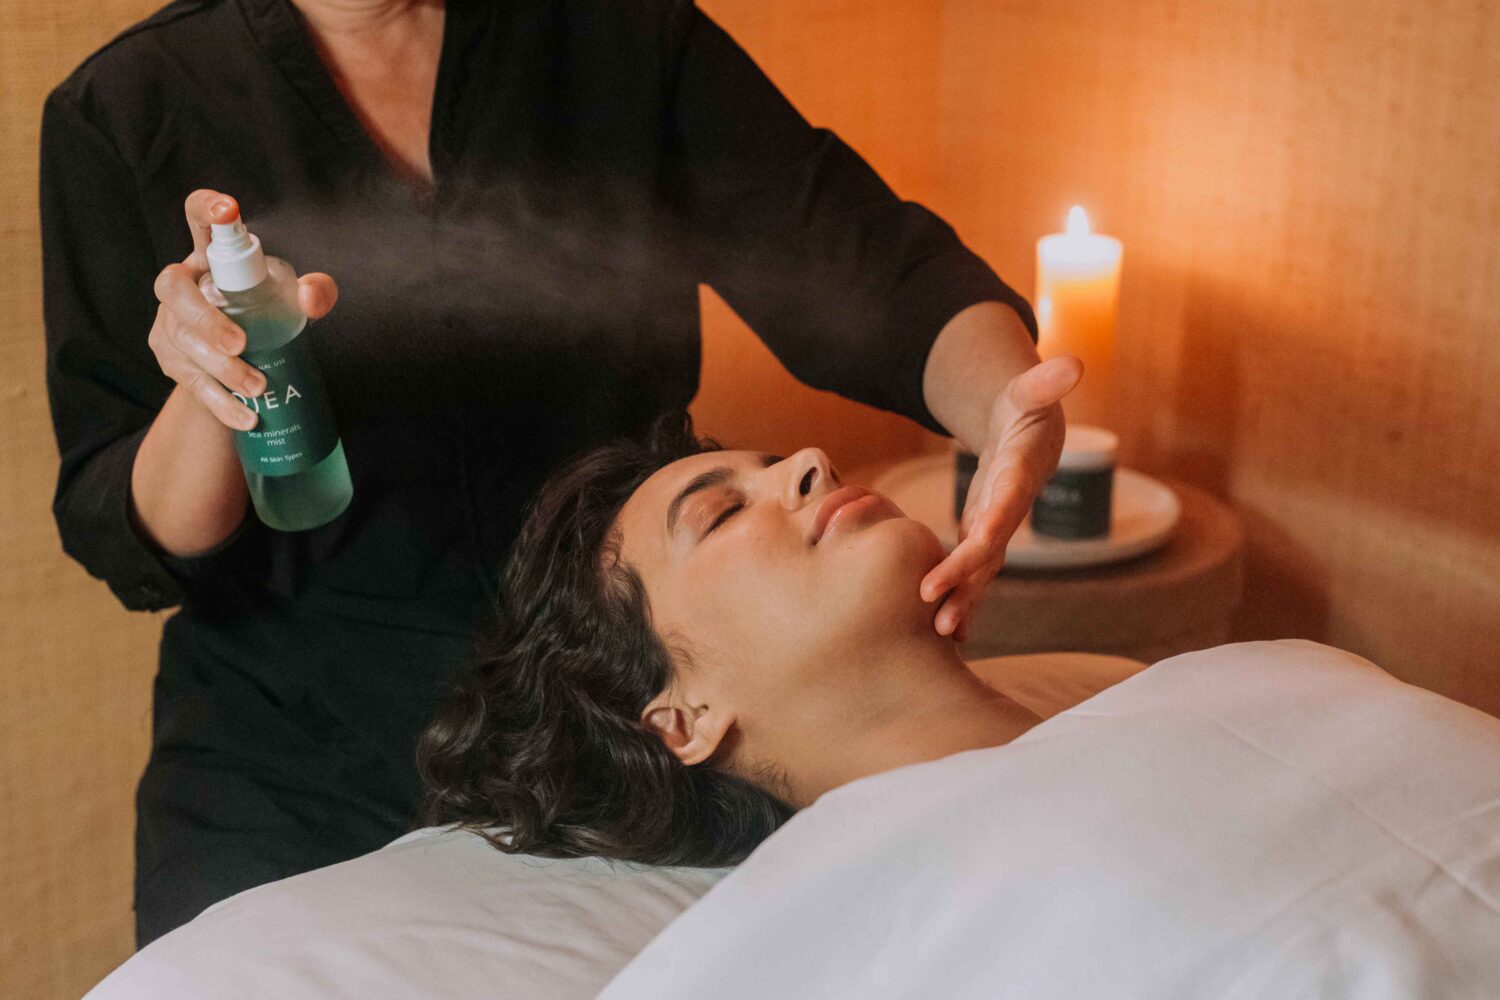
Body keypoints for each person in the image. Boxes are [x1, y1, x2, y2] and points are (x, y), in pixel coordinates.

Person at [40, 0, 1073, 946]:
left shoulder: (616, 30)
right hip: (294, 757)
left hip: (616, 741)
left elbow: (859, 261)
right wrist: (208, 377)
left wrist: (1005, 404)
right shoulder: (126, 107)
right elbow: (123, 532)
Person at [418, 407, 1056, 864]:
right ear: (686, 720)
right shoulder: (860, 935)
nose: (813, 461)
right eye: (721, 514)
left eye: (775, 465)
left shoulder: (1150, 703)